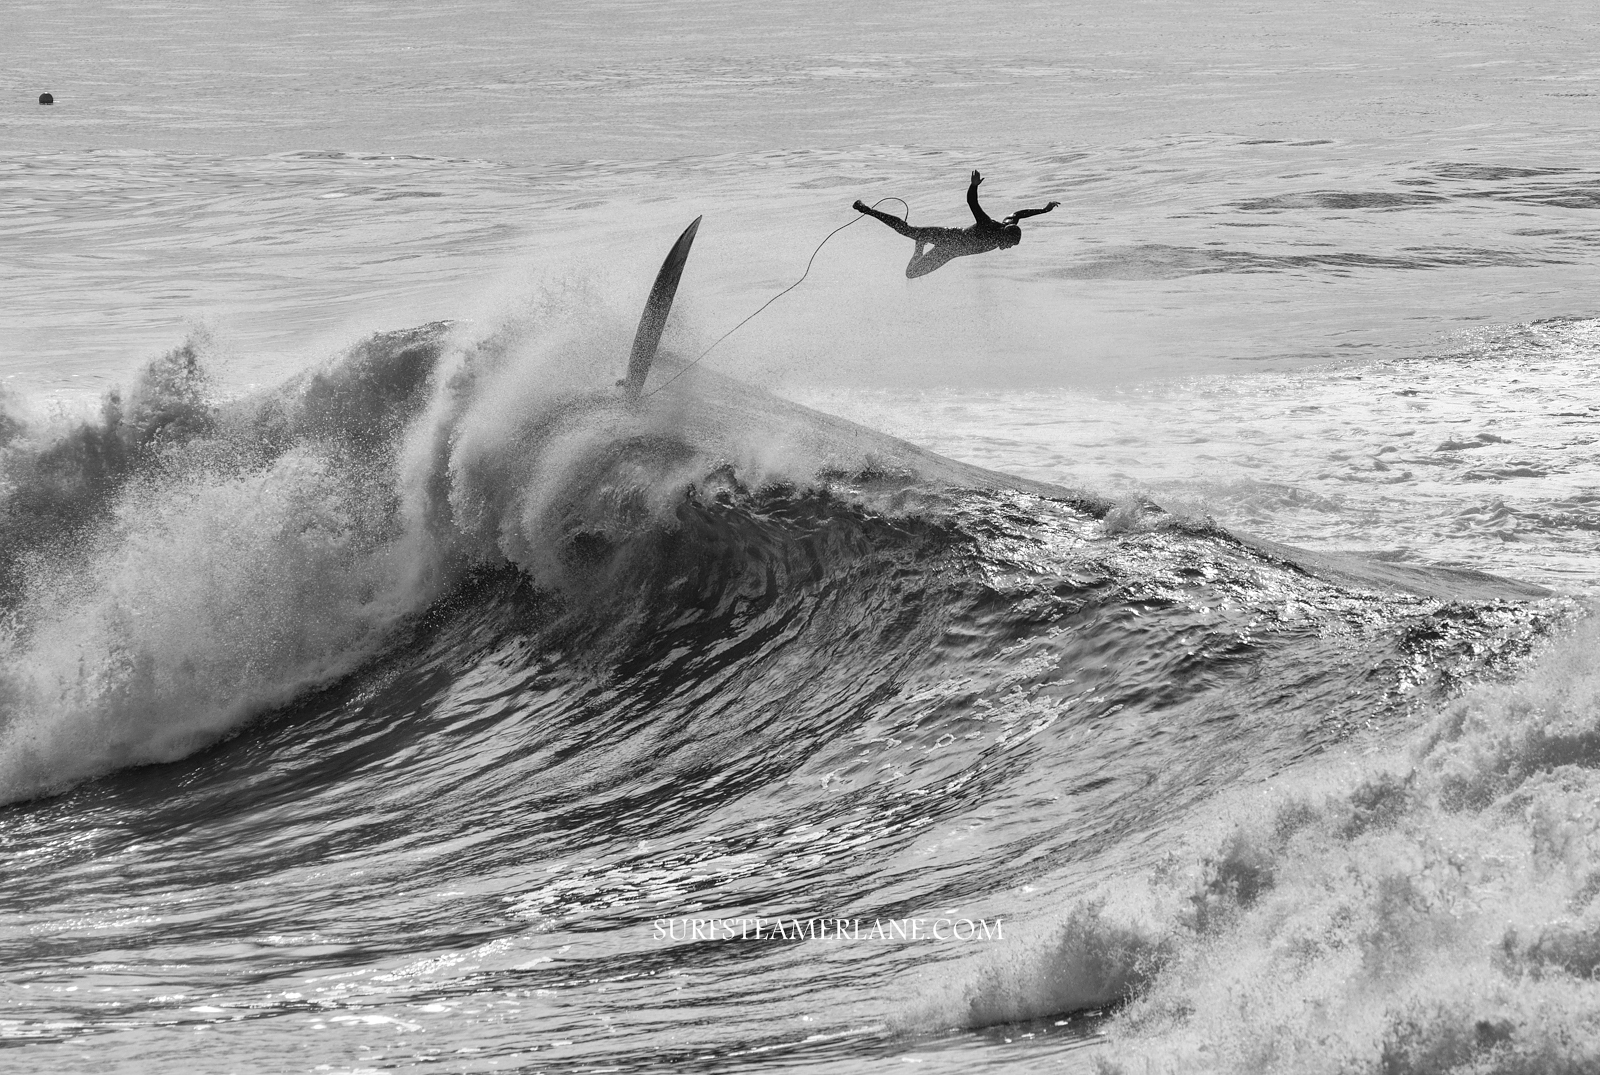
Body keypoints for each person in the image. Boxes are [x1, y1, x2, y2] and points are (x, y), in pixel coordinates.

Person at [854, 170, 1059, 279]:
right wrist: (973, 186)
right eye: (1008, 243)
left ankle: (918, 249)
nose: (1008, 247)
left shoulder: (1007, 227)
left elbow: (1018, 214)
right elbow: (972, 202)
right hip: (949, 237)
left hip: (948, 253)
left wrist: (1044, 210)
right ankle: (867, 210)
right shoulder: (988, 225)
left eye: (1012, 245)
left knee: (911, 274)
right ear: (1003, 235)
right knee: (909, 230)